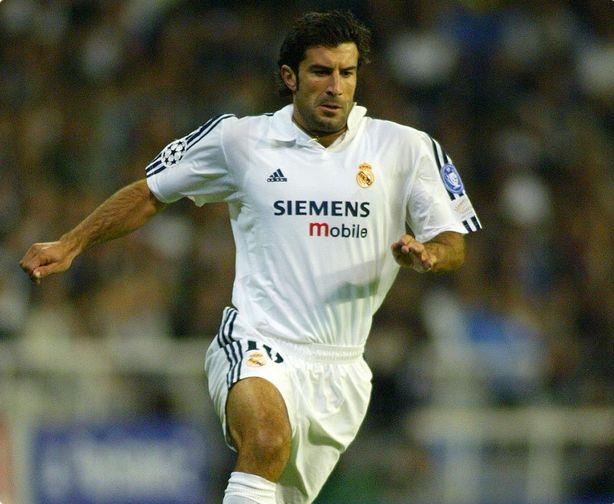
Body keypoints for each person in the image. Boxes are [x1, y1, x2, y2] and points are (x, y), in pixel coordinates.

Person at [20, 10, 481, 504]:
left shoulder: (406, 148)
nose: (335, 87)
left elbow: (452, 242)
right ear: (290, 77)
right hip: (257, 339)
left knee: (271, 489)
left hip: (341, 368)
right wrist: (71, 243)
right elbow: (150, 193)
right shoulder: (240, 140)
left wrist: (429, 255)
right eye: (321, 72)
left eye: (347, 73)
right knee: (265, 439)